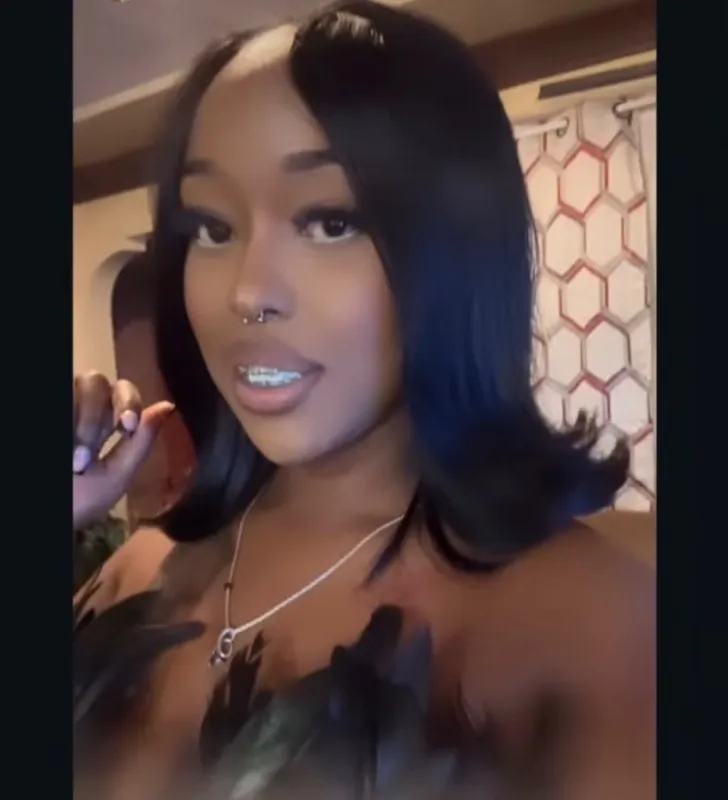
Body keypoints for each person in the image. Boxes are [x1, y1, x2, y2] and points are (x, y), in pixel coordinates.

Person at [72, 2, 655, 798]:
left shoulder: (592, 626)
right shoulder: (139, 567)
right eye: (211, 227)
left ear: (457, 245)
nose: (247, 292)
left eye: (329, 221)